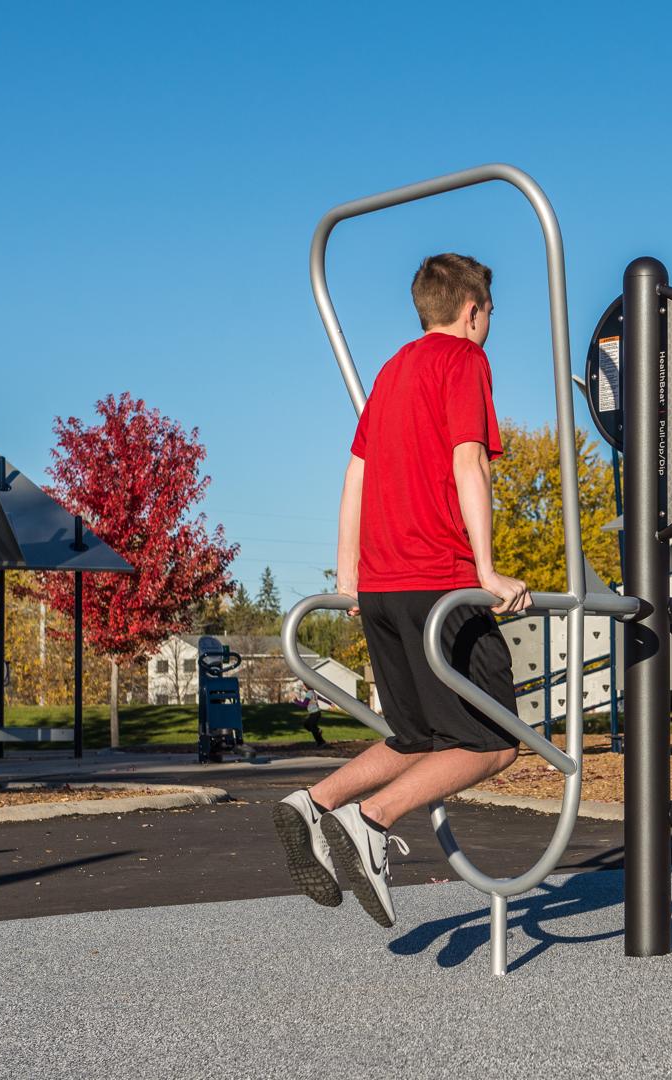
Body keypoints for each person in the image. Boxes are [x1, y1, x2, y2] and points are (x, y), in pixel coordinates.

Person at [271, 253, 531, 929]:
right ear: (472, 310)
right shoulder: (463, 362)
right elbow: (468, 461)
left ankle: (315, 802)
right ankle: (373, 822)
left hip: (382, 587)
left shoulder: (390, 372)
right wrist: (488, 569)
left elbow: (354, 477)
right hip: (438, 581)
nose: (488, 325)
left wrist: (349, 579)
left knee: (416, 737)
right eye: (490, 313)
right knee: (497, 739)